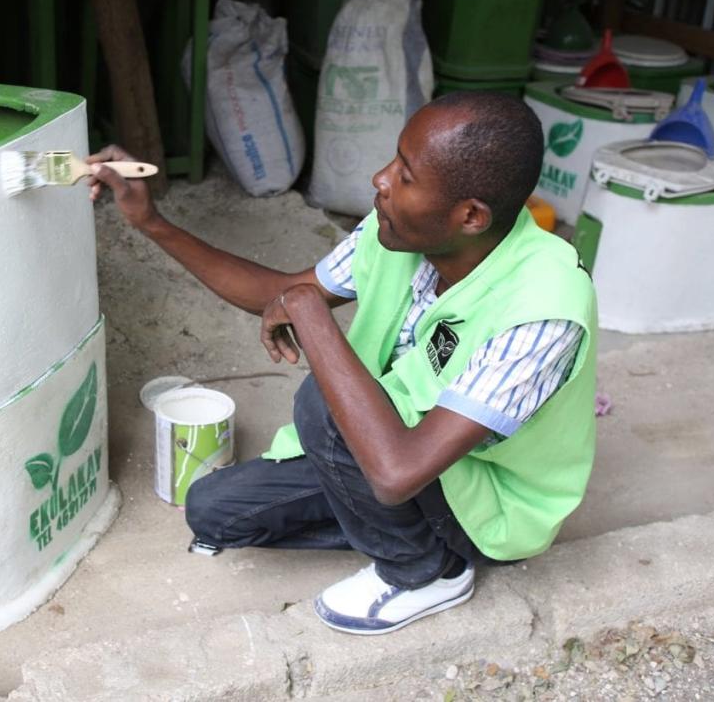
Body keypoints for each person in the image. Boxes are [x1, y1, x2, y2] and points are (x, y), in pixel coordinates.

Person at [86, 91, 597, 636]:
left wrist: (310, 315)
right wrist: (152, 222)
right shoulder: (396, 233)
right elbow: (281, 292)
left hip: (482, 500)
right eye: (394, 160)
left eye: (405, 175)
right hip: (382, 446)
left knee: (322, 402)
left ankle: (425, 571)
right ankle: (397, 529)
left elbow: (399, 473)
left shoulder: (543, 309)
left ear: (470, 216)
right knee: (215, 510)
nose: (381, 180)